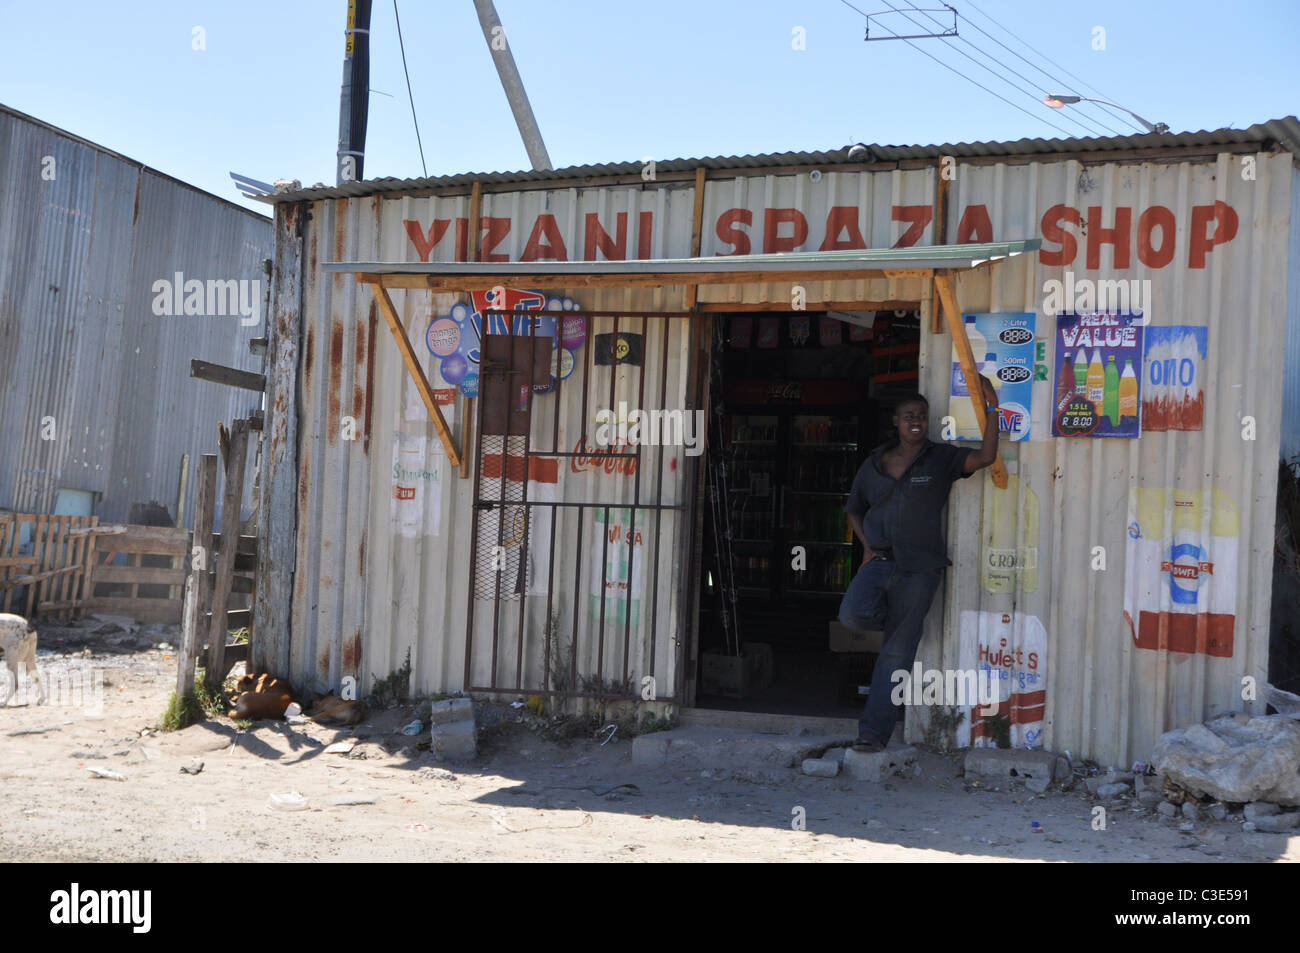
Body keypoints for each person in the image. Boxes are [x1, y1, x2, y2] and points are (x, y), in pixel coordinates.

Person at [838, 376, 1001, 752]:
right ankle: (899, 625)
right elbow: (853, 511)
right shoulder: (875, 463)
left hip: (919, 570)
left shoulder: (941, 458)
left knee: (896, 652)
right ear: (895, 421)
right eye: (908, 415)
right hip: (880, 564)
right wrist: (866, 548)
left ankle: (872, 734)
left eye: (922, 416)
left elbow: (986, 457)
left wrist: (993, 410)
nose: (916, 421)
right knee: (852, 615)